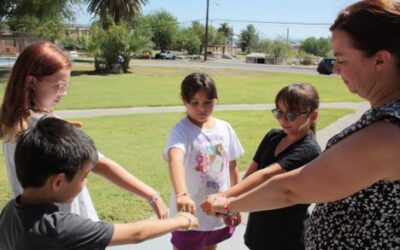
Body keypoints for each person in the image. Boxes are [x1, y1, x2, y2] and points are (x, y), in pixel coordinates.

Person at [201, 0, 400, 249]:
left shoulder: (389, 132)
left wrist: (227, 203)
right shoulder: (385, 118)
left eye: (342, 59)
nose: (336, 69)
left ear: (380, 60)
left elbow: (290, 190)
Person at [0, 42, 168, 221]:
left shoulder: (11, 124)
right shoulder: (48, 127)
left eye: (66, 86)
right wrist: (152, 195)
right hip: (70, 226)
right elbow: (99, 163)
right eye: (59, 86)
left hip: (32, 225)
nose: (63, 93)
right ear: (32, 82)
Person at [0, 117, 199, 249]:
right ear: (58, 182)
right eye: (84, 176)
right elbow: (137, 233)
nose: (85, 182)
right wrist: (183, 220)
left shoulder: (11, 210)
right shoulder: (58, 227)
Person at [205, 83, 321, 250]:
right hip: (259, 230)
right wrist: (233, 207)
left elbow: (266, 175)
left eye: (291, 115)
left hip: (286, 237)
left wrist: (225, 197)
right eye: (278, 112)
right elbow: (253, 172)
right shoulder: (273, 136)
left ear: (314, 115)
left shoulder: (309, 150)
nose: (282, 120)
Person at [163, 72, 244, 250]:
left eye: (208, 102)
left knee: (210, 246)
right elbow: (174, 158)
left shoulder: (225, 128)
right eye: (195, 103)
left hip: (217, 210)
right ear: (184, 101)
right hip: (189, 213)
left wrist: (234, 204)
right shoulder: (181, 130)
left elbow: (232, 167)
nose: (202, 108)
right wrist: (182, 194)